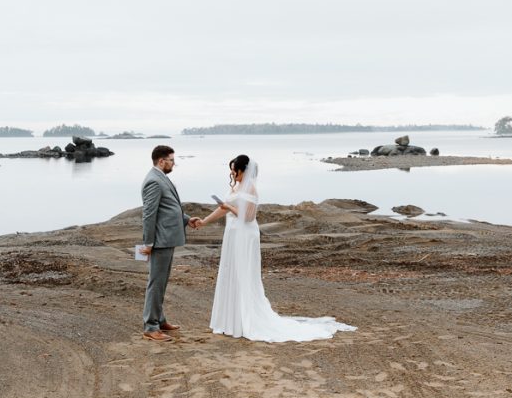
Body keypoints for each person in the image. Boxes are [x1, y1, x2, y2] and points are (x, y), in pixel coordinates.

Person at [196, 155, 356, 342]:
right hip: (231, 234)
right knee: (230, 272)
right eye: (231, 169)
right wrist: (205, 221)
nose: (232, 173)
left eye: (235, 170)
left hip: (245, 235)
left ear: (244, 170)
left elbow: (248, 217)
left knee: (243, 274)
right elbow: (224, 209)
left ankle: (242, 321)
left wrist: (229, 208)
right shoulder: (236, 187)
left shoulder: (252, 189)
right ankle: (229, 321)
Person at [139, 145, 201, 342]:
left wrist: (186, 219)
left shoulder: (161, 178)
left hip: (167, 239)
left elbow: (168, 208)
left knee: (162, 282)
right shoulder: (153, 181)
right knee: (156, 283)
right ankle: (150, 326)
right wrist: (148, 242)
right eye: (172, 160)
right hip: (159, 241)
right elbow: (149, 214)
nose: (174, 163)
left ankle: (160, 319)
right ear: (161, 161)